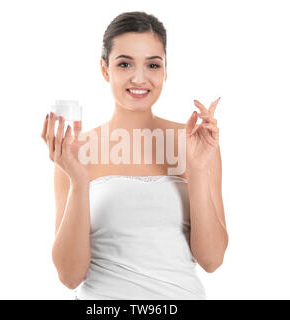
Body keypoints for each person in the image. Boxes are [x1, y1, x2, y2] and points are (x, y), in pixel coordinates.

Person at [41, 11, 228, 300]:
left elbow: (212, 260)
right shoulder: (75, 152)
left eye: (153, 65)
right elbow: (69, 276)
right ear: (105, 70)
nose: (139, 78)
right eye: (125, 63)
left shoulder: (196, 143)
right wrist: (78, 180)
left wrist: (198, 168)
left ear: (165, 71)